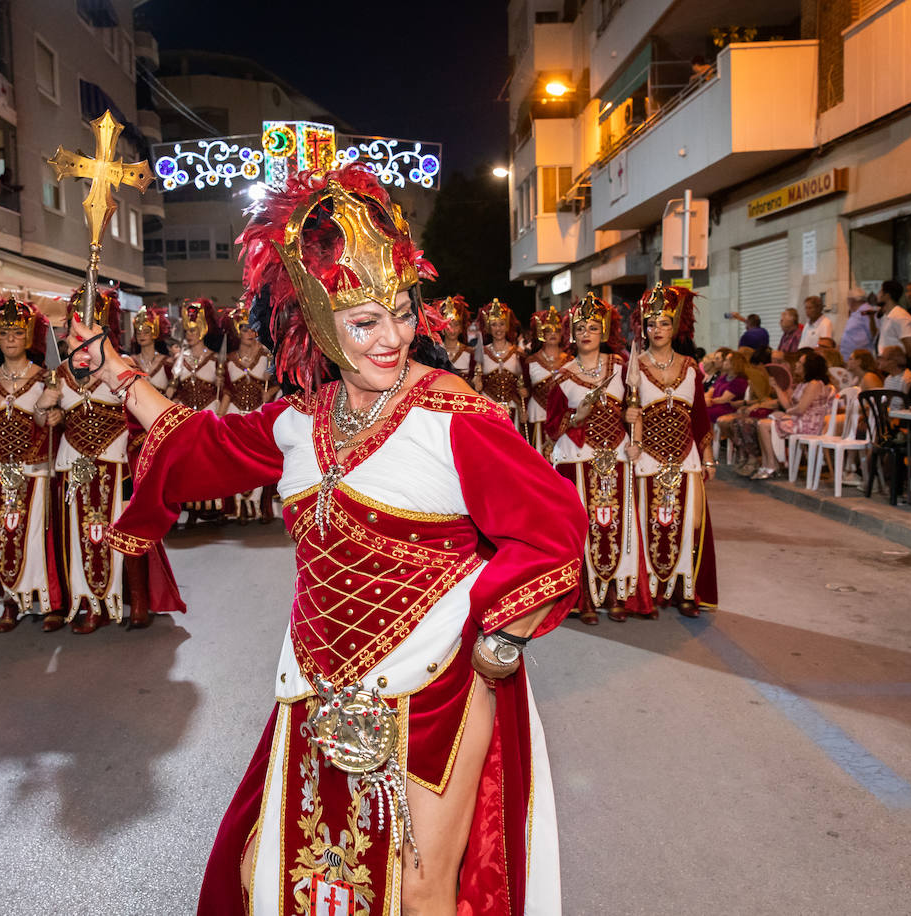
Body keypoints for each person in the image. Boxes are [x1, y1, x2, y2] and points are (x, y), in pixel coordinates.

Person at [66, 164, 584, 913]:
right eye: (364, 321)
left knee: (420, 886)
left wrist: (499, 641)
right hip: (314, 686)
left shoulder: (456, 418)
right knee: (290, 871)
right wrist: (115, 371)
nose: (392, 338)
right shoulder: (298, 422)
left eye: (403, 313)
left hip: (439, 682)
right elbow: (195, 447)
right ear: (315, 320)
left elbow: (553, 529)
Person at [55, 288, 186, 634]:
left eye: (92, 321)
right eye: (76, 322)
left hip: (119, 463)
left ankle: (137, 602)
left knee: (126, 531)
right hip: (77, 466)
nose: (82, 329)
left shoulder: (124, 365)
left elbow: (144, 419)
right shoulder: (57, 374)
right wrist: (46, 411)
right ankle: (92, 603)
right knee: (85, 536)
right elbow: (51, 420)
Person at [0, 296, 64, 632]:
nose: (10, 338)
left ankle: (49, 600)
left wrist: (55, 416)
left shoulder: (46, 378)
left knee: (37, 536)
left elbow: (58, 423)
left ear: (29, 337)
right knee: (3, 537)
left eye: (17, 333)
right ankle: (11, 601)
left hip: (36, 470)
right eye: (5, 332)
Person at [546, 293, 642, 623]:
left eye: (593, 327)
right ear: (572, 333)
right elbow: (551, 428)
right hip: (576, 459)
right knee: (583, 528)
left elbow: (635, 405)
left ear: (604, 331)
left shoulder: (622, 366)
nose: (586, 333)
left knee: (616, 525)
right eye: (580, 327)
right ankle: (584, 597)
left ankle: (617, 593)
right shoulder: (562, 375)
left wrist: (634, 425)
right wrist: (576, 416)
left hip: (615, 458)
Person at [626, 283, 717, 616]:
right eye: (651, 323)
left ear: (675, 326)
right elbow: (627, 410)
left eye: (664, 323)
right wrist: (630, 425)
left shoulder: (691, 367)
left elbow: (700, 418)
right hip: (647, 458)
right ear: (644, 328)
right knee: (651, 524)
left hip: (686, 458)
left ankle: (686, 593)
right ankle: (650, 593)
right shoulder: (633, 366)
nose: (657, 329)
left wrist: (708, 459)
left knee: (687, 524)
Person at [167, 298, 225, 525]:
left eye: (193, 329)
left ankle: (214, 506)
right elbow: (173, 386)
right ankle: (191, 507)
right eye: (186, 330)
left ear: (202, 329)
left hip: (208, 413)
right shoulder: (180, 358)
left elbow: (223, 387)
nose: (189, 334)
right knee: (187, 464)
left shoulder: (214, 357)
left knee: (210, 461)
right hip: (186, 414)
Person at [218, 303, 276, 523]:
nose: (249, 333)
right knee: (235, 461)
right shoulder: (230, 358)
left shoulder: (267, 355)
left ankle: (259, 506)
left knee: (259, 461)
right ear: (237, 330)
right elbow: (226, 391)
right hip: (234, 414)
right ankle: (240, 506)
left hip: (259, 414)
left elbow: (279, 382)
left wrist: (270, 392)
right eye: (244, 328)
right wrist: (218, 419)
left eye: (253, 329)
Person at [750, 351, 834, 479]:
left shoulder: (815, 385)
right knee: (762, 423)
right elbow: (789, 405)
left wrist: (785, 414)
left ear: (809, 366)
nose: (796, 365)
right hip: (798, 420)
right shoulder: (803, 384)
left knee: (764, 425)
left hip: (808, 424)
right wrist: (777, 387)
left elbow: (800, 409)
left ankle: (772, 465)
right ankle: (768, 464)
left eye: (800, 362)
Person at [473, 298, 527, 434]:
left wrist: (524, 395)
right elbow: (475, 378)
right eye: (494, 325)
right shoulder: (482, 352)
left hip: (513, 408)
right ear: (488, 328)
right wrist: (476, 381)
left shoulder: (518, 353)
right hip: (488, 407)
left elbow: (524, 382)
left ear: (507, 326)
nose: (498, 329)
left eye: (502, 324)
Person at [525, 305, 569, 451]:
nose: (553, 334)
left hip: (563, 418)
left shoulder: (571, 361)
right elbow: (525, 388)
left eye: (557, 330)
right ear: (541, 333)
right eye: (549, 331)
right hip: (537, 415)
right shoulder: (530, 361)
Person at [876, 280, 911, 359]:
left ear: (887, 295)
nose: (878, 295)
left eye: (880, 291)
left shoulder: (900, 316)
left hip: (896, 366)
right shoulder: (886, 316)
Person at [437, 295, 473, 378]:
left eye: (456, 324)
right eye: (449, 325)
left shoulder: (471, 353)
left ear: (461, 328)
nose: (452, 329)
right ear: (442, 328)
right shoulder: (435, 353)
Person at [837, 287, 877, 356]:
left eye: (848, 299)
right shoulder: (857, 312)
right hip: (849, 356)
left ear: (852, 300)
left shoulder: (866, 311)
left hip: (860, 357)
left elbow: (873, 334)